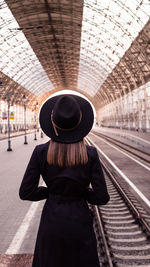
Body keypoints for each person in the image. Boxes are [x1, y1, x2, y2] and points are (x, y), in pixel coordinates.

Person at [19, 94, 110, 267]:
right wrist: (82, 192)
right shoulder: (90, 154)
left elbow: (26, 192)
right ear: (80, 123)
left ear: (53, 123)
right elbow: (101, 197)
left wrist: (51, 192)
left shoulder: (40, 152)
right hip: (80, 224)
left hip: (51, 223)